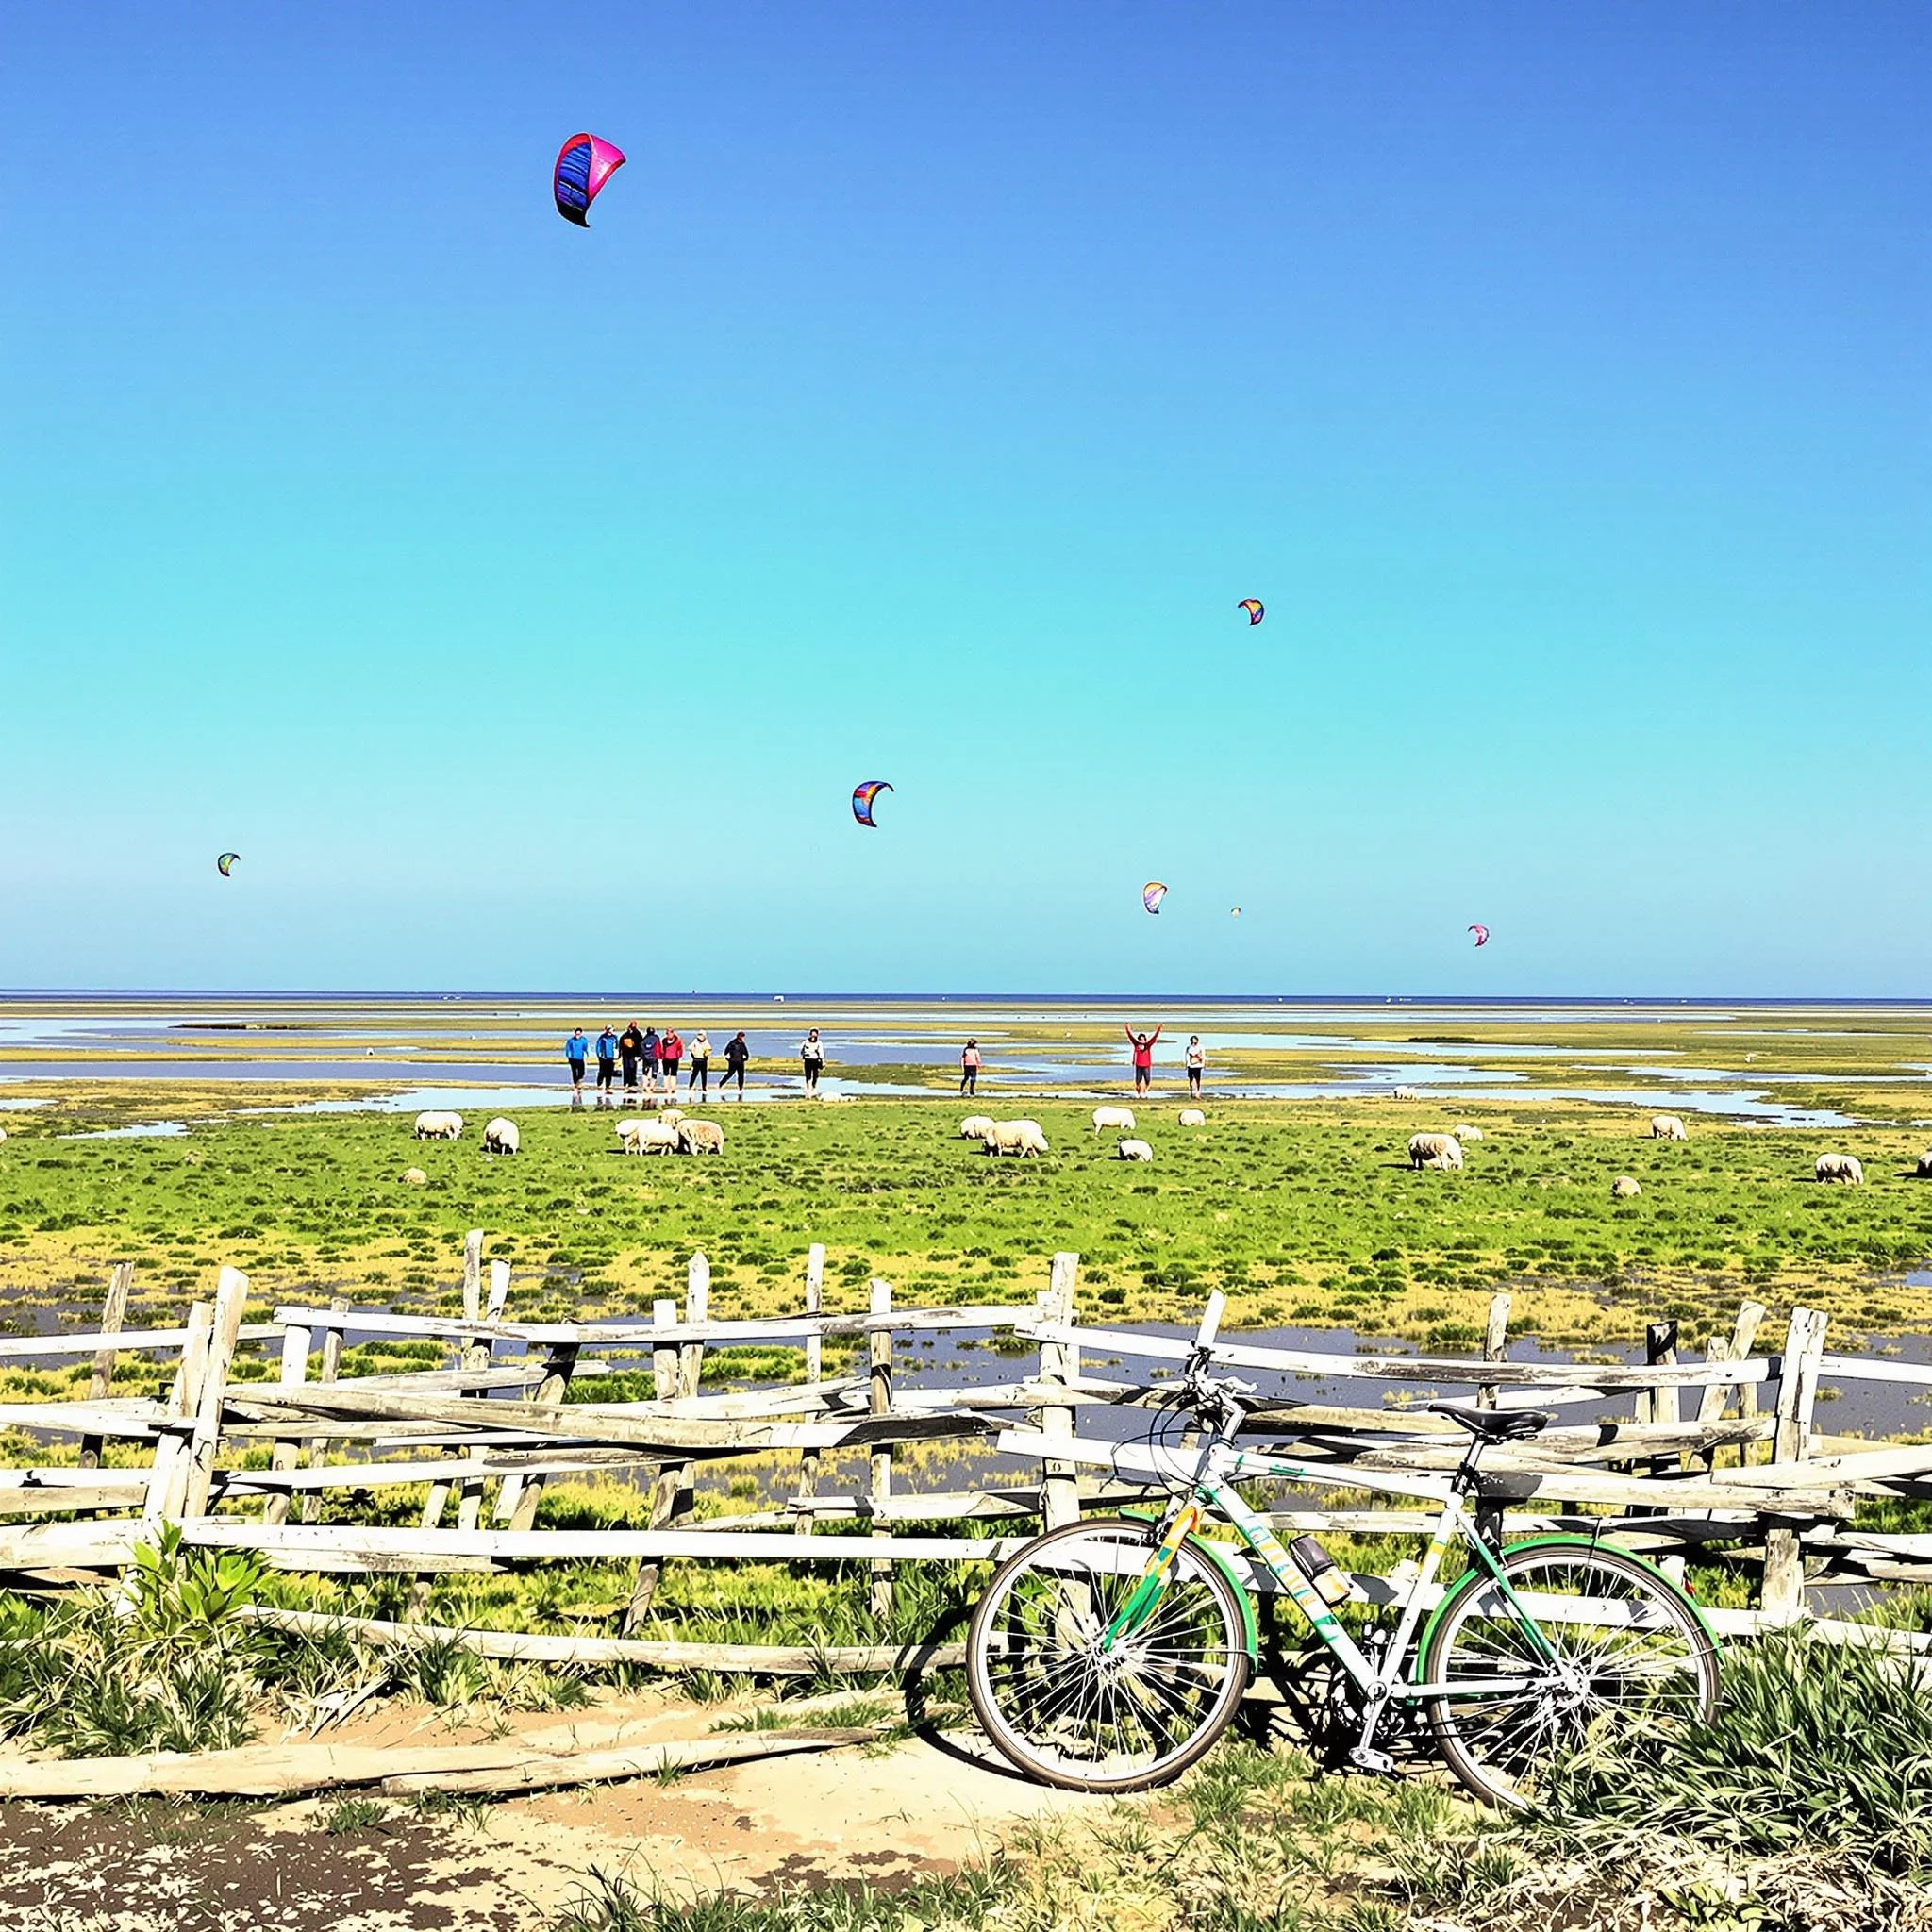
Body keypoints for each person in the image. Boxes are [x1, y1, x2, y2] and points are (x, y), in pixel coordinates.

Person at [1124, 1021, 1162, 1098]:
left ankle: (1145, 1091)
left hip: (1146, 1065)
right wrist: (1127, 1028)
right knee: (1137, 1080)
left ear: (1145, 1039)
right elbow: (1130, 1036)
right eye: (1141, 1039)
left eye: (1143, 1039)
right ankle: (1139, 1094)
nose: (1142, 1040)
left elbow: (1154, 1037)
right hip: (1138, 1065)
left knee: (1147, 1079)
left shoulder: (1148, 1045)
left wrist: (1158, 1029)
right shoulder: (1136, 1044)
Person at [723, 1030, 750, 1095]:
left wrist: (746, 1058)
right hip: (733, 1062)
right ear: (738, 1036)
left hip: (740, 1062)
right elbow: (726, 1051)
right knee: (730, 1074)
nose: (743, 1038)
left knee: (741, 1076)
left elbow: (746, 1052)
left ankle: (740, 1089)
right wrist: (728, 1058)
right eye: (742, 1036)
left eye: (743, 1037)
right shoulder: (732, 1043)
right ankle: (721, 1084)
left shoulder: (742, 1044)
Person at [618, 1021, 642, 1095]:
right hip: (626, 1054)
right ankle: (627, 1082)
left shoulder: (637, 1034)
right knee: (627, 1068)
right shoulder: (625, 1035)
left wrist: (639, 1055)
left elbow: (640, 1045)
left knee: (632, 1068)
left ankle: (631, 1081)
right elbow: (621, 1045)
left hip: (633, 1055)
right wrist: (619, 1054)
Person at [800, 1028, 825, 1096]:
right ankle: (808, 1089)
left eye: (815, 1034)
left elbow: (821, 1053)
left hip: (815, 1060)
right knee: (808, 1075)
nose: (813, 1036)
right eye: (812, 1034)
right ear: (810, 1034)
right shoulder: (805, 1042)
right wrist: (803, 1058)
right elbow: (801, 1051)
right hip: (807, 1060)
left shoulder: (819, 1043)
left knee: (815, 1075)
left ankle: (814, 1088)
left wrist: (822, 1062)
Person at [595, 1024, 619, 1094]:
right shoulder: (602, 1037)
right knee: (602, 1071)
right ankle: (599, 1083)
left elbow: (617, 1047)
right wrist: (599, 1055)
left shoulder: (614, 1037)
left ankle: (608, 1085)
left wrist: (617, 1056)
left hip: (611, 1057)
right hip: (603, 1057)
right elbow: (598, 1046)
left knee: (609, 1072)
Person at [564, 1027, 590, 1092]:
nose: (577, 1035)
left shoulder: (584, 1040)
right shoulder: (571, 1040)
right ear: (575, 1033)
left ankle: (579, 1081)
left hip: (580, 1058)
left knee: (582, 1072)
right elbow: (567, 1049)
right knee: (574, 1072)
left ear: (581, 1034)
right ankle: (575, 1084)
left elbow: (585, 1048)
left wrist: (587, 1054)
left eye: (579, 1034)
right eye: (576, 1034)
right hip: (572, 1058)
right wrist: (568, 1056)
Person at [660, 1026, 684, 1095]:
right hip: (666, 1059)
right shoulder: (664, 1040)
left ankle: (673, 1088)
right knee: (666, 1074)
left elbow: (680, 1049)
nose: (669, 1034)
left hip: (674, 1059)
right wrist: (662, 1056)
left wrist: (679, 1056)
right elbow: (662, 1049)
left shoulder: (678, 1040)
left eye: (670, 1033)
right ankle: (666, 1087)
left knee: (673, 1074)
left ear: (673, 1033)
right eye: (667, 1033)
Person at [689, 1029, 711, 1097]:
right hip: (696, 1060)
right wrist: (693, 1055)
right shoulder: (695, 1042)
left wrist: (706, 1055)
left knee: (704, 1075)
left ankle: (704, 1088)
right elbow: (690, 1049)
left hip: (703, 1061)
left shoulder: (706, 1043)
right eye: (699, 1035)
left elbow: (708, 1050)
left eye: (702, 1035)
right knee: (694, 1074)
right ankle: (691, 1086)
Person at [641, 1025, 661, 1100]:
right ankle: (651, 1086)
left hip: (646, 1058)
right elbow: (659, 1047)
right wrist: (660, 1056)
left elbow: (641, 1048)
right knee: (654, 1072)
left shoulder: (644, 1039)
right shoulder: (656, 1038)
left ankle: (645, 1086)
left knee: (645, 1072)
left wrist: (642, 1056)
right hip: (654, 1058)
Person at [1184, 1034, 1205, 1100]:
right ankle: (1191, 1093)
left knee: (1198, 1079)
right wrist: (1187, 1064)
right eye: (1192, 1042)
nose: (1193, 1044)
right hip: (1191, 1066)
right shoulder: (1188, 1048)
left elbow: (1203, 1056)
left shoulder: (1200, 1047)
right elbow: (1187, 1056)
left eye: (1195, 1042)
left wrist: (1203, 1064)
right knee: (1191, 1079)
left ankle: (1197, 1093)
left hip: (1198, 1066)